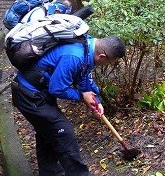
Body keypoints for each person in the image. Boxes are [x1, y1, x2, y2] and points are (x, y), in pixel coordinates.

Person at [11, 35, 126, 175]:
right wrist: (82, 96)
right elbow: (57, 88)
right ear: (102, 56)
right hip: (29, 95)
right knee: (64, 133)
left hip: (38, 91)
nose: (108, 65)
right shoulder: (74, 56)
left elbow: (83, 76)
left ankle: (49, 173)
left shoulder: (86, 46)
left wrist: (97, 102)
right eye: (110, 62)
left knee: (47, 133)